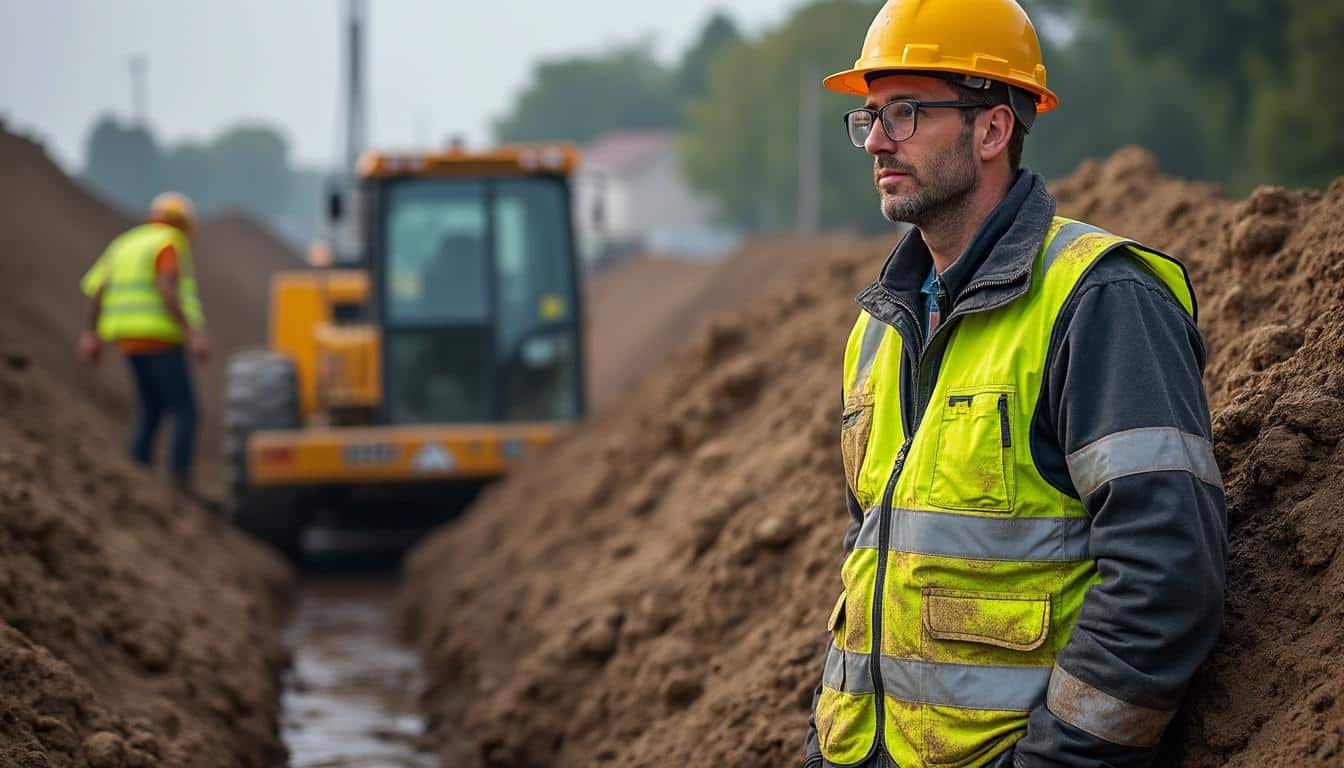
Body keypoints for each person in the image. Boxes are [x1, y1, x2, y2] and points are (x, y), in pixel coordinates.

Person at [801, 2, 1227, 767]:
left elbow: (1166, 579)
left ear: (993, 130)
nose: (876, 142)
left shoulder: (1099, 300)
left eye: (905, 112)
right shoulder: (879, 330)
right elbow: (869, 563)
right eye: (868, 117)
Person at [78, 192, 211, 502]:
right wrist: (193, 332)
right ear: (183, 224)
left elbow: (99, 291)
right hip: (160, 337)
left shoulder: (125, 243)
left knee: (151, 409)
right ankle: (179, 484)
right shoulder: (168, 243)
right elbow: (166, 287)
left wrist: (91, 335)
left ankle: (137, 473)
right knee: (186, 412)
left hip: (129, 341)